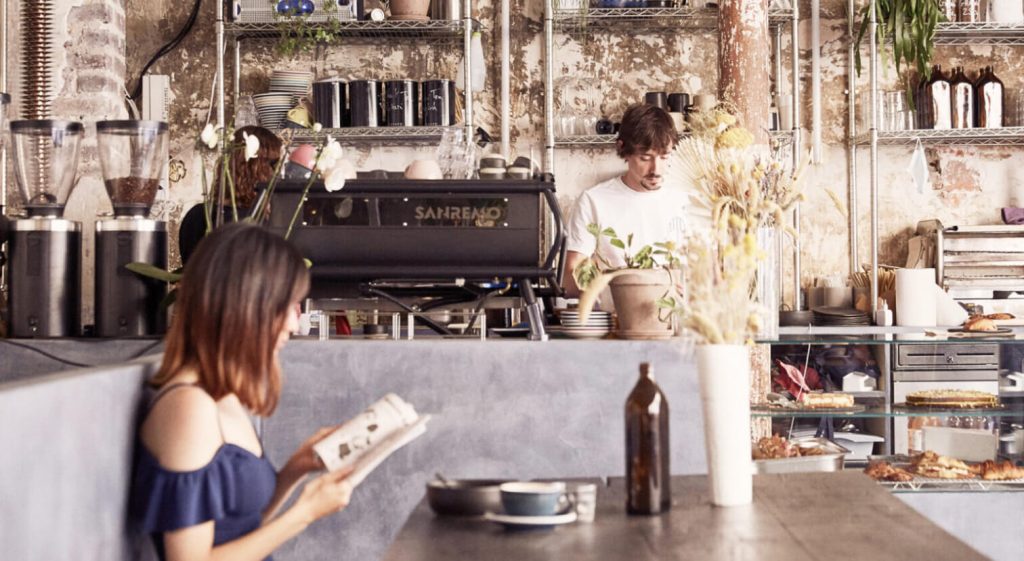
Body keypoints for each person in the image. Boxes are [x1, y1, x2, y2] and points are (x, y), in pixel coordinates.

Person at [131, 223, 353, 561]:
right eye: (289, 307)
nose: (294, 325)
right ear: (247, 306)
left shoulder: (221, 397)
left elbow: (242, 528)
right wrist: (304, 513)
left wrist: (295, 468)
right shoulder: (188, 407)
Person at [562, 103, 691, 297]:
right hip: (618, 321)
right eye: (645, 158)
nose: (656, 169)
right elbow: (570, 280)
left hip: (676, 322)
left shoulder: (686, 200)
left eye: (664, 157)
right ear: (624, 149)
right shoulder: (594, 201)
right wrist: (631, 286)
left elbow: (709, 276)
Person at [178, 126, 283, 264]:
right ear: (258, 167)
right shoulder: (259, 223)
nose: (278, 174)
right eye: (274, 165)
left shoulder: (196, 215)